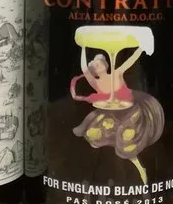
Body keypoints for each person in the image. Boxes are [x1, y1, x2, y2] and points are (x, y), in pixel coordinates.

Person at [69, 45, 164, 185]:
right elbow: (84, 68)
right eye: (95, 65)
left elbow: (130, 60)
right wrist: (83, 47)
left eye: (100, 63)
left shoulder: (117, 73)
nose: (98, 66)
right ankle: (99, 173)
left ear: (105, 65)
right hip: (113, 114)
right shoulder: (95, 82)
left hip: (132, 112)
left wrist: (141, 47)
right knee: (96, 133)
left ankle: (139, 169)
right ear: (94, 71)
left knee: (126, 140)